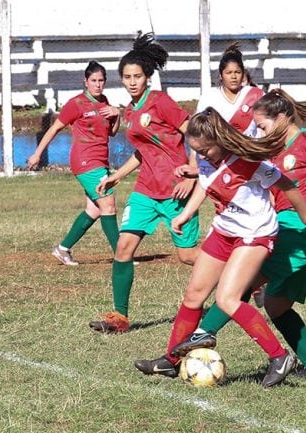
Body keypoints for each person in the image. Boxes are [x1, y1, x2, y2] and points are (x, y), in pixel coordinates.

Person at [133, 107, 306, 387]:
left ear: (219, 141)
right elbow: (205, 184)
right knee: (194, 295)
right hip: (224, 231)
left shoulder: (246, 161)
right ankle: (171, 360)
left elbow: (287, 184)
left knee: (229, 298)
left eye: (205, 150)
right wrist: (186, 213)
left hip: (255, 234)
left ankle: (279, 357)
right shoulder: (204, 159)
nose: (200, 156)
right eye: (195, 151)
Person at [169, 89, 306, 380]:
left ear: (282, 118)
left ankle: (203, 333)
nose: (259, 131)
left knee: (239, 285)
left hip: (301, 232)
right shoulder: (271, 150)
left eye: (263, 126)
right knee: (275, 305)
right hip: (288, 229)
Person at [88, 32, 200, 334]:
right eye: (126, 77)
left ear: (148, 77)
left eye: (137, 76)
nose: (132, 81)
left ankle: (246, 277)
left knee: (188, 256)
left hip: (176, 189)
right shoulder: (132, 110)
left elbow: (195, 133)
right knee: (123, 248)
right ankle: (120, 318)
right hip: (146, 192)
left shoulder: (161, 102)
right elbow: (143, 151)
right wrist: (117, 175)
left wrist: (192, 171)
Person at [27, 61, 121, 266]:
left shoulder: (104, 102)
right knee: (109, 204)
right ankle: (122, 256)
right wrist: (37, 154)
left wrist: (117, 114)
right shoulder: (76, 104)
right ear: (85, 82)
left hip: (100, 159)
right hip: (85, 160)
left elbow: (111, 132)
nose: (98, 85)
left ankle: (63, 249)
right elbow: (53, 129)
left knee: (95, 210)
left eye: (101, 80)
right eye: (93, 81)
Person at [196, 42, 264, 137]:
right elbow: (198, 130)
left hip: (250, 150)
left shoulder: (255, 95)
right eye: (228, 73)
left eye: (237, 72)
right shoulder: (209, 97)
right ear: (221, 75)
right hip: (220, 150)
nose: (234, 76)